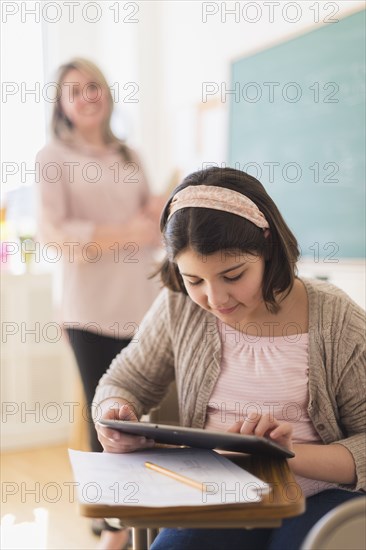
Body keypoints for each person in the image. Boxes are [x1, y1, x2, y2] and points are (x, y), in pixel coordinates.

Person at [93, 167, 365, 550]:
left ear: (267, 246)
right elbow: (123, 381)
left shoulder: (335, 318)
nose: (216, 300)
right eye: (195, 281)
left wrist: (284, 456)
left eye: (233, 275)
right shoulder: (177, 307)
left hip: (321, 496)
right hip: (217, 491)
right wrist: (114, 415)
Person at [36, 57, 162, 549]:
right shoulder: (52, 156)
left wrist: (148, 220)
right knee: (105, 415)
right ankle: (114, 525)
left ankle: (133, 511)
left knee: (146, 418)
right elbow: (55, 235)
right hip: (88, 310)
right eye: (74, 91)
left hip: (144, 304)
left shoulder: (130, 154)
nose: (88, 95)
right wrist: (127, 231)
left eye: (94, 86)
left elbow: (152, 234)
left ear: (106, 92)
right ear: (62, 106)